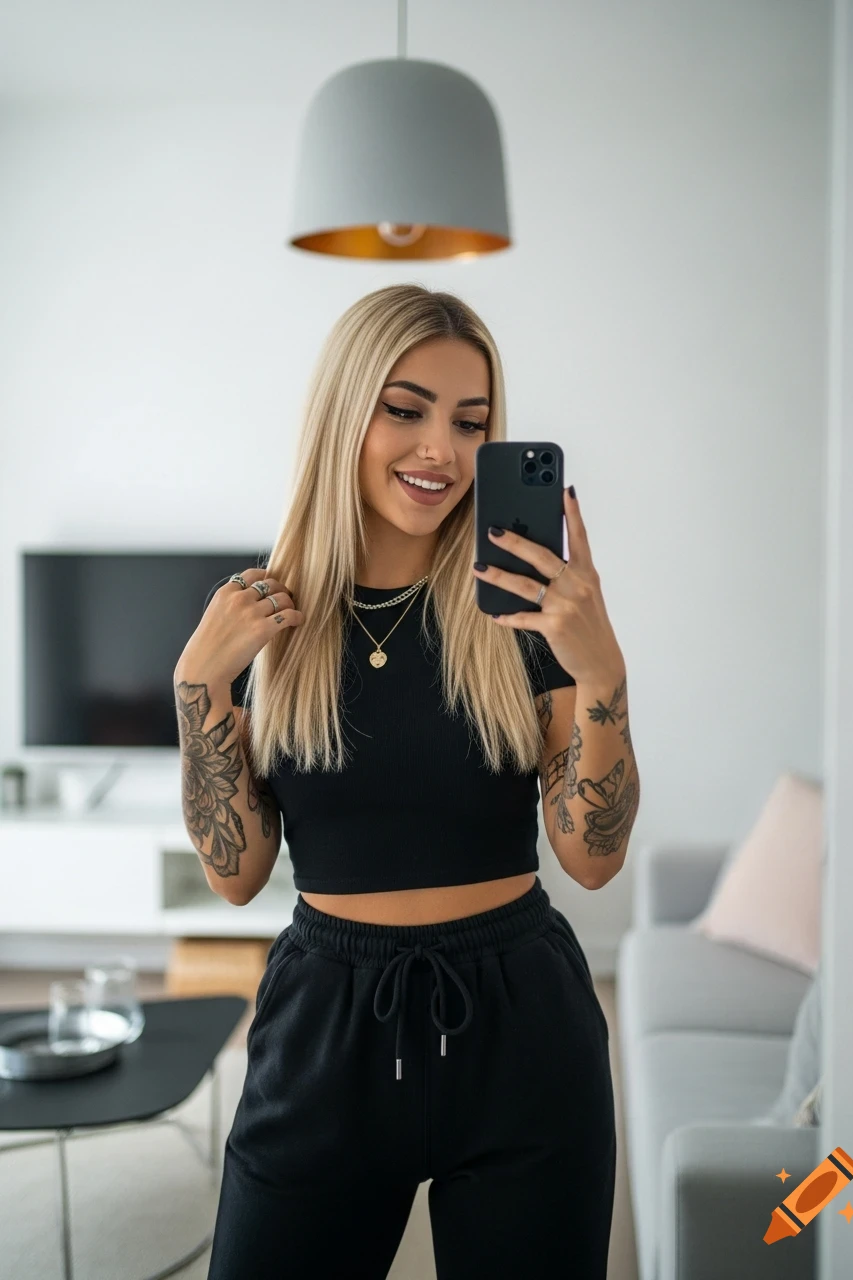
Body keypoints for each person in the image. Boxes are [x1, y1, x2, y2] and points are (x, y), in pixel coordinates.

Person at [174, 284, 637, 1279]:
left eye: (470, 422)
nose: (440, 449)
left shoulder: (523, 614)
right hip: (325, 1024)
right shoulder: (271, 619)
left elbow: (591, 860)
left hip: (521, 1024)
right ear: (347, 408)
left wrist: (600, 674)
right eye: (405, 407)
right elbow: (234, 871)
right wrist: (198, 683)